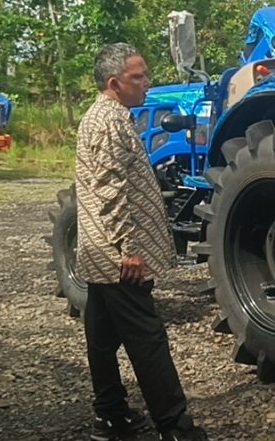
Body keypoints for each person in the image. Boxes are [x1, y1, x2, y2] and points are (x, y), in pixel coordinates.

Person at [75, 43, 206, 441]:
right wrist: (128, 249)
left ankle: (111, 416)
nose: (147, 83)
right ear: (115, 83)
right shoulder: (111, 122)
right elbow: (112, 191)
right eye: (138, 77)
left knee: (100, 339)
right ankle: (175, 427)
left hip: (98, 252)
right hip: (116, 256)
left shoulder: (106, 116)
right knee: (148, 340)